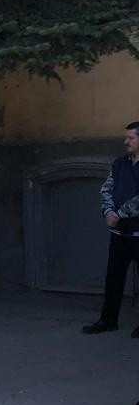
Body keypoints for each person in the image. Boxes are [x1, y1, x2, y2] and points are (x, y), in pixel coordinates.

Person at [83, 121, 139, 338]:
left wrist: (121, 213)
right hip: (119, 233)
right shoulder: (119, 164)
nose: (125, 142)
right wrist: (108, 212)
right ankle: (108, 320)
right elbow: (106, 188)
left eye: (130, 138)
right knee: (113, 277)